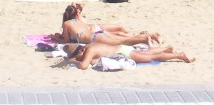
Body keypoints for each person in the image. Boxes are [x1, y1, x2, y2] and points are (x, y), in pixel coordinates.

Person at [59, 3, 159, 45]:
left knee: (122, 41)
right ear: (76, 13)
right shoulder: (78, 20)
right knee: (122, 38)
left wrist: (56, 37)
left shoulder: (67, 23)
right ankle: (148, 37)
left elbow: (66, 40)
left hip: (95, 38)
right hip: (98, 34)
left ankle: (145, 39)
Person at [63, 41, 193, 68]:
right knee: (145, 53)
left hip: (123, 51)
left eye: (77, 55)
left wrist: (73, 61)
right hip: (122, 48)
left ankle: (179, 55)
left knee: (151, 57)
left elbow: (84, 65)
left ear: (80, 52)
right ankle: (167, 47)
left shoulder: (89, 51)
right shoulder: (90, 46)